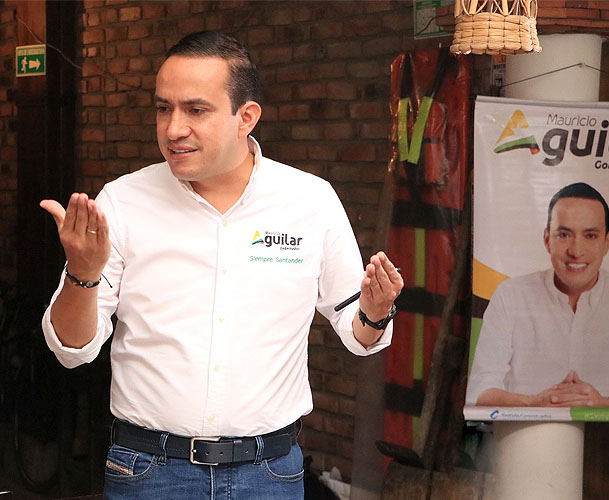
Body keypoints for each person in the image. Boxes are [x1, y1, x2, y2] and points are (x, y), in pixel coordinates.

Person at [40, 31, 403, 500]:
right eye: (163, 108)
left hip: (269, 475)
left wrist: (375, 311)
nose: (174, 128)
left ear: (245, 117)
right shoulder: (123, 202)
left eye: (196, 110)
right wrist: (83, 273)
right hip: (149, 472)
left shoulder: (309, 201)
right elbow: (72, 350)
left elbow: (359, 335)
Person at [464, 182, 609, 410]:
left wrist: (604, 404)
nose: (576, 251)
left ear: (607, 242)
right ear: (547, 240)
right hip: (525, 429)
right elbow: (479, 391)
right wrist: (535, 403)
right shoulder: (510, 295)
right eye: (564, 234)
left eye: (590, 235)